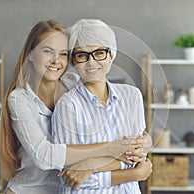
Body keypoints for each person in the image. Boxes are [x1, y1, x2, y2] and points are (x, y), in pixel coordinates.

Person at [0, 20, 151, 194]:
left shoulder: (74, 84)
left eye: (62, 54)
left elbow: (127, 137)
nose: (56, 60)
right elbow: (44, 156)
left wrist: (144, 145)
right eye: (47, 51)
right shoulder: (20, 99)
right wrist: (114, 150)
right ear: (30, 54)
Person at [52, 19, 152, 193]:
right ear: (73, 61)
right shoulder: (68, 105)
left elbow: (136, 158)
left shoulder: (132, 96)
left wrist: (91, 165)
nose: (91, 62)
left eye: (99, 53)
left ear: (111, 54)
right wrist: (133, 174)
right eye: (82, 55)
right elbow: (72, 177)